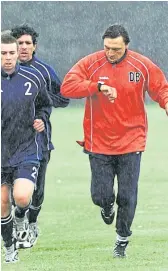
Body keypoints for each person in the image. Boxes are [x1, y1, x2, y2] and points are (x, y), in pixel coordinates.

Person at [61, 25, 168, 258]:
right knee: (100, 195)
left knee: (128, 195)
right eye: (107, 48)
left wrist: (166, 103)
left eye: (116, 49)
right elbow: (67, 87)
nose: (110, 53)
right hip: (98, 142)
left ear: (126, 46)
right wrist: (97, 87)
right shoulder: (90, 63)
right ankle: (106, 206)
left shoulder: (142, 66)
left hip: (132, 140)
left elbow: (161, 89)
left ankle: (122, 240)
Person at [10, 24, 70, 248]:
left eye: (27, 43)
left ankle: (32, 222)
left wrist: (41, 104)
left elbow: (63, 98)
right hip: (8, 140)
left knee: (37, 190)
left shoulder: (43, 71)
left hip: (39, 139)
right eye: (19, 43)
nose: (23, 47)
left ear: (34, 47)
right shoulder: (5, 71)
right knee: (12, 188)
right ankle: (17, 224)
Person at [1, 33, 52, 263]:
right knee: (2, 203)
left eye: (12, 53)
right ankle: (10, 247)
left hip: (26, 149)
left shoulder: (33, 78)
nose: (9, 58)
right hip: (1, 152)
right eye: (3, 53)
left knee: (21, 198)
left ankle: (21, 216)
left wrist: (41, 118)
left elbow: (44, 105)